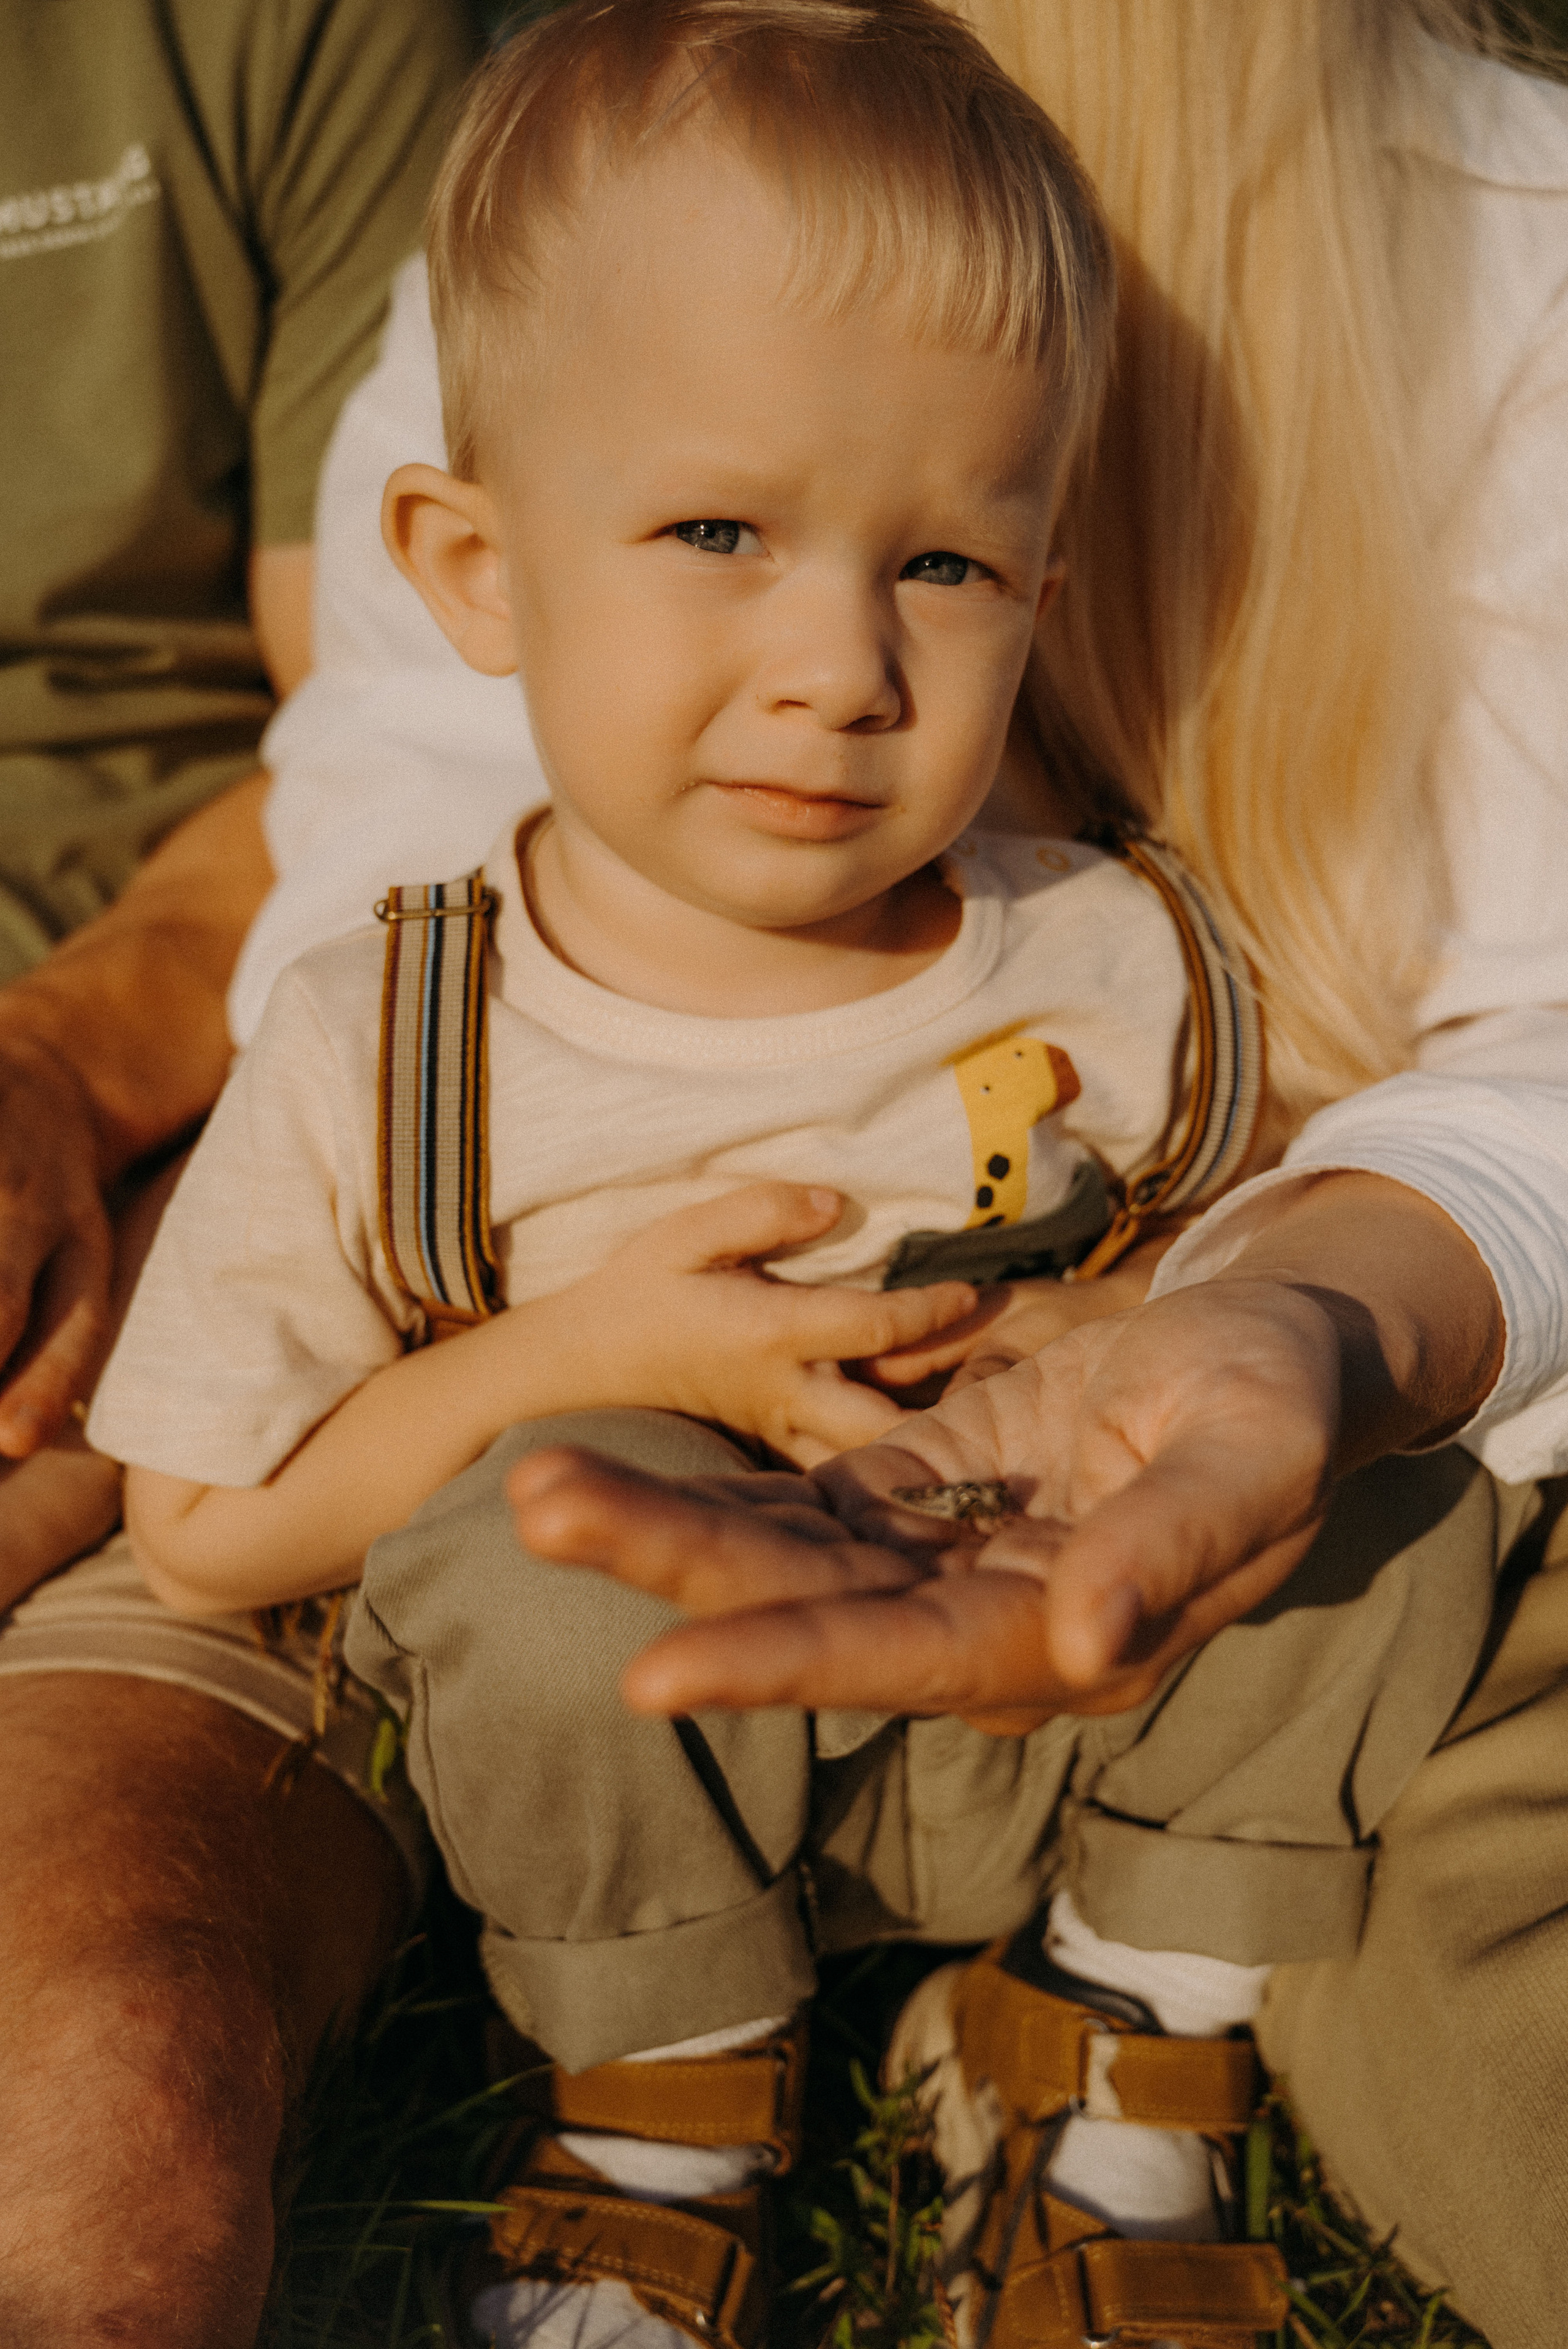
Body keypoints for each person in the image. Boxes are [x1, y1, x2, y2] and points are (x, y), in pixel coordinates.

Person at [202, 2, 1566, 2345]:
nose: (836, 665)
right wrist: (599, 1350)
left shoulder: (1115, 947)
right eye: (721, 532)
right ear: (471, 555)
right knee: (532, 1552)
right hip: (679, 1642)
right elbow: (219, 1510)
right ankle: (659, 2099)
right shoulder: (391, 1030)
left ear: (1043, 582)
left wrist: (1250, 1314)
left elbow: (1309, 1158)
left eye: (942, 564)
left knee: (1388, 1504)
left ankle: (1115, 2027)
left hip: (1083, 1633)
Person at [0, 2, 479, 2342]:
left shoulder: (283, 29)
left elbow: (402, 761)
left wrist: (86, 1108)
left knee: (121, 2122)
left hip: (205, 1132)